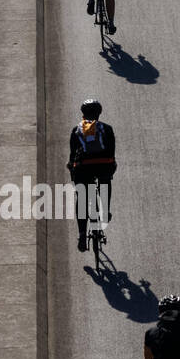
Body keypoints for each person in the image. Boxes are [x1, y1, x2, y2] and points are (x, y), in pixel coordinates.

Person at [67, 98, 116, 253]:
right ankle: (105, 211)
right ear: (99, 113)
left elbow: (72, 155)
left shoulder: (76, 130)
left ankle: (82, 234)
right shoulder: (107, 129)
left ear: (83, 113)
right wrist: (111, 166)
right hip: (103, 165)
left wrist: (72, 170)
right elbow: (112, 152)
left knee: (82, 197)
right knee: (105, 182)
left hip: (83, 168)